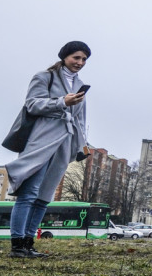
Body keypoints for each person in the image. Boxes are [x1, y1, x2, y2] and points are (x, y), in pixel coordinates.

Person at [6, 41, 92, 258]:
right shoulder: (45, 77)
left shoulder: (80, 84)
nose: (80, 63)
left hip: (64, 142)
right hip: (42, 139)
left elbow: (80, 119)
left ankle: (28, 243)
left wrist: (82, 145)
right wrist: (62, 102)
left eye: (84, 59)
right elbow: (32, 104)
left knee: (44, 196)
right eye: (76, 58)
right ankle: (17, 245)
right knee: (29, 193)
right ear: (65, 56)